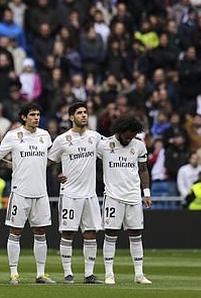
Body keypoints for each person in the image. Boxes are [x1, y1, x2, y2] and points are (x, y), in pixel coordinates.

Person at [0, 102, 55, 284]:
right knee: (15, 232)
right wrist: (10, 165)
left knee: (40, 232)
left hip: (40, 192)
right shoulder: (13, 136)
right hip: (20, 191)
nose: (36, 118)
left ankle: (41, 273)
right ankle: (14, 272)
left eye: (38, 115)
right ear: (23, 117)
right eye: (32, 115)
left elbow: (51, 158)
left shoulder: (45, 135)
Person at [47, 102, 104, 284]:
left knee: (90, 233)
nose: (84, 115)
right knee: (68, 233)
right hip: (70, 194)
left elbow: (112, 150)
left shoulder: (95, 138)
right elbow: (49, 161)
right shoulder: (62, 140)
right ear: (71, 117)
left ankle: (89, 274)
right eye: (79, 113)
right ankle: (68, 273)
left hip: (90, 195)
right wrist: (58, 174)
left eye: (85, 112)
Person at [97, 115, 152, 285]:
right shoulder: (104, 145)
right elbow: (90, 162)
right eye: (127, 135)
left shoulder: (139, 146)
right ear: (119, 132)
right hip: (113, 196)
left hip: (134, 197)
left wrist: (147, 193)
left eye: (132, 135)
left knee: (136, 234)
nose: (129, 139)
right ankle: (109, 273)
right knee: (111, 234)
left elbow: (143, 170)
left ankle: (139, 274)